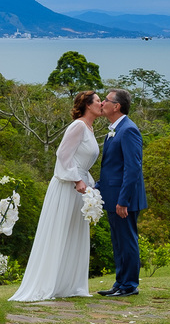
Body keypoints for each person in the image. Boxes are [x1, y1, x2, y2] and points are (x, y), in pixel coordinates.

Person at [9, 90, 104, 301]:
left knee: (74, 233)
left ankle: (70, 285)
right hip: (67, 186)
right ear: (87, 105)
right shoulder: (78, 125)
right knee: (60, 231)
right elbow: (62, 154)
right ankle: (48, 284)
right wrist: (77, 179)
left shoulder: (89, 128)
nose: (102, 104)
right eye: (98, 101)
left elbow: (82, 160)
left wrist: (89, 185)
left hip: (80, 188)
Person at [97, 87, 147, 297]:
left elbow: (133, 167)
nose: (102, 104)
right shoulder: (114, 129)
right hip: (113, 196)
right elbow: (111, 166)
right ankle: (120, 282)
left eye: (106, 100)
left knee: (127, 240)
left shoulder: (128, 130)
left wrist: (123, 200)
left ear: (116, 106)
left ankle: (129, 285)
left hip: (123, 199)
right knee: (118, 241)